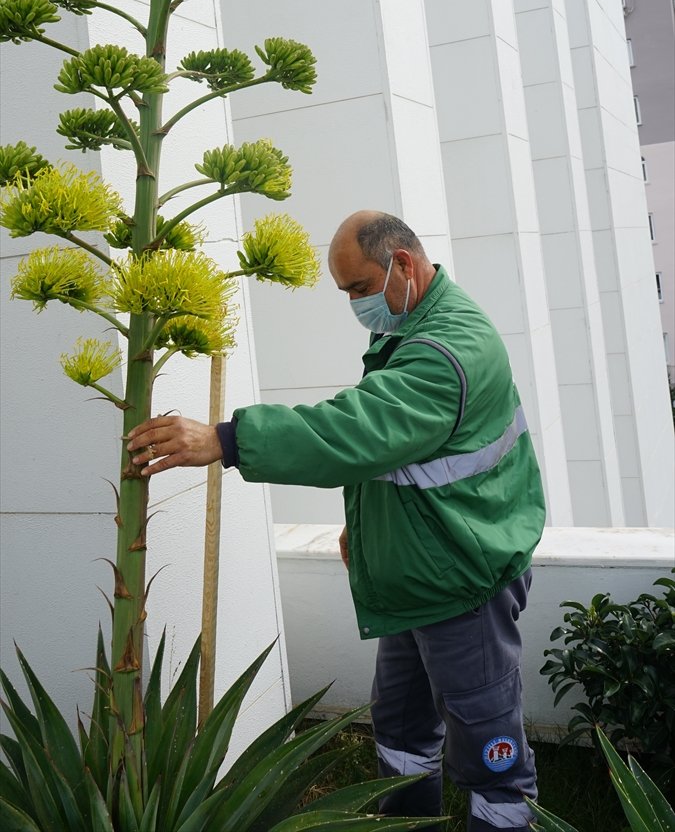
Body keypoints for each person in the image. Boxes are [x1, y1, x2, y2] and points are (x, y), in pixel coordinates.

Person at [128, 211, 546, 832]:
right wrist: (369, 528)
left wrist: (228, 439)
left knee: (490, 753)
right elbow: (409, 457)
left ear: (402, 263)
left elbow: (358, 430)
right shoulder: (414, 324)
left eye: (357, 288)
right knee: (402, 729)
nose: (353, 304)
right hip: (419, 571)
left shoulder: (447, 350)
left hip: (463, 583)